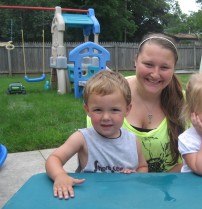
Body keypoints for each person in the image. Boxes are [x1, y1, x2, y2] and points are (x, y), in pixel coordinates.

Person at [87, 33, 186, 172]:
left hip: (170, 186)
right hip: (121, 187)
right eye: (148, 64)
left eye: (164, 67)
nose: (155, 74)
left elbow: (192, 157)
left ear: (174, 68)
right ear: (135, 60)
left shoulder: (186, 104)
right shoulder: (107, 96)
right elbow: (94, 154)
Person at [46, 70, 148, 200]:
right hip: (91, 199)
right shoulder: (82, 138)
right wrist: (60, 175)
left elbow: (143, 166)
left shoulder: (133, 140)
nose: (106, 117)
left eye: (114, 110)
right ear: (87, 110)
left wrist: (137, 175)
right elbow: (54, 158)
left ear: (127, 110)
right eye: (98, 110)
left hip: (124, 199)